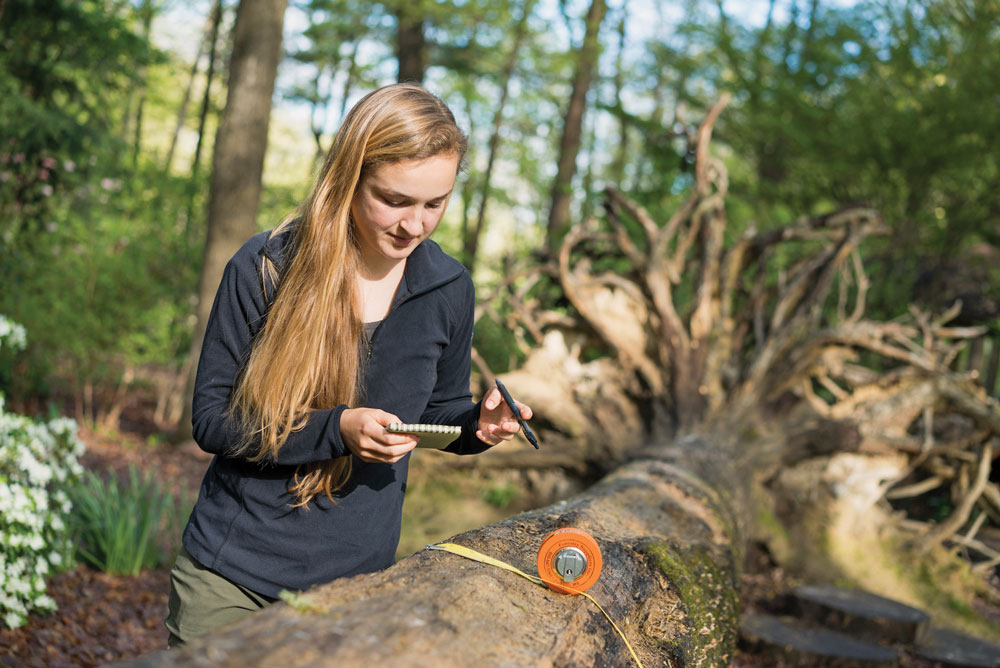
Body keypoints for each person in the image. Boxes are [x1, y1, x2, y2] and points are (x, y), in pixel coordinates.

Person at [165, 83, 532, 647]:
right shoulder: (266, 266)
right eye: (395, 200)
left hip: (357, 591)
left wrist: (476, 427)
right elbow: (213, 420)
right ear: (348, 177)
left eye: (434, 203)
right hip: (230, 577)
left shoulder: (448, 288)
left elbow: (438, 412)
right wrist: (335, 429)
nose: (415, 225)